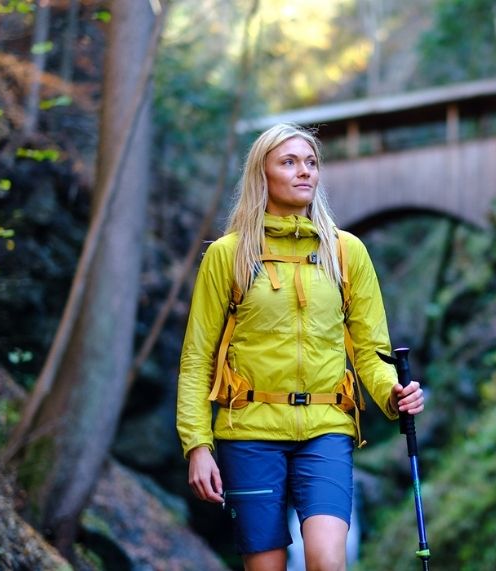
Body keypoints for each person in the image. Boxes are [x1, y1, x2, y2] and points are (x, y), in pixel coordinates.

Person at [176, 122, 424, 571]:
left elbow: (372, 351)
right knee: (266, 565)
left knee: (328, 561)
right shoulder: (228, 255)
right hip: (248, 432)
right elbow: (197, 358)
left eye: (310, 162)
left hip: (326, 428)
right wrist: (197, 444)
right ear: (262, 175)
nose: (304, 172)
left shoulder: (346, 252)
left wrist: (392, 392)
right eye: (289, 162)